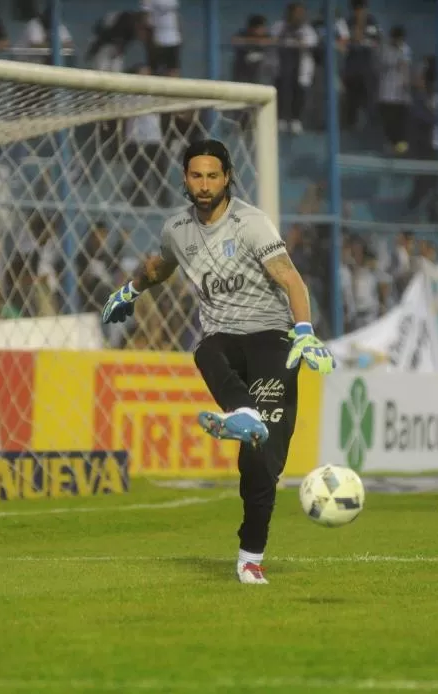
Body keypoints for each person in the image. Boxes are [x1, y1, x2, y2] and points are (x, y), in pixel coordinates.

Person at [100, 140, 335, 586]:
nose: (204, 185)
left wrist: (303, 331)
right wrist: (130, 290)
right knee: (205, 349)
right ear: (184, 178)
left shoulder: (251, 224)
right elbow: (161, 267)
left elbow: (290, 277)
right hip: (223, 340)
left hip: (272, 340)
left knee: (261, 464)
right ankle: (243, 411)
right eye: (196, 176)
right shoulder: (177, 230)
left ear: (227, 177)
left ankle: (250, 556)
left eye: (212, 176)